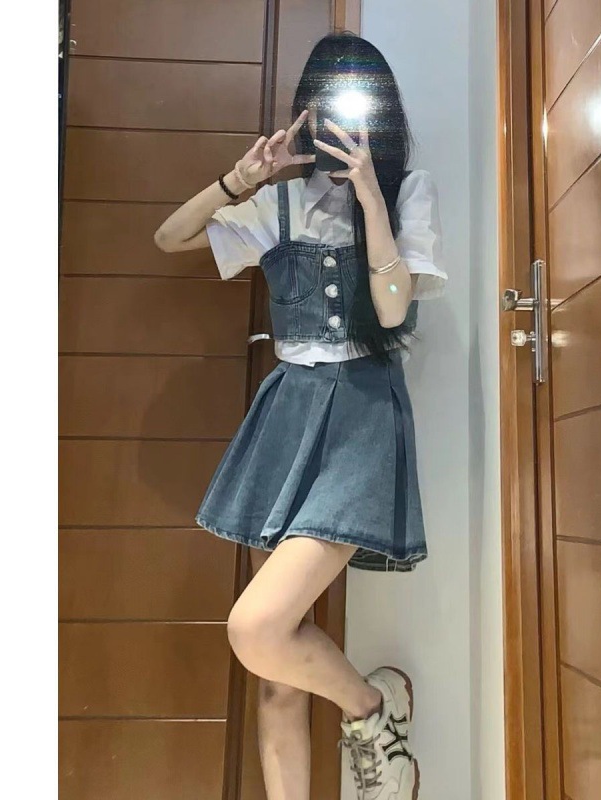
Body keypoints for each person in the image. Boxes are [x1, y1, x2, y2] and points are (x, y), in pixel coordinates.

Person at [154, 31, 446, 800]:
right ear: (307, 114)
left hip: (361, 416)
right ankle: (368, 718)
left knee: (255, 627)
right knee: (274, 669)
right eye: (328, 103)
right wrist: (239, 180)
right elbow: (170, 237)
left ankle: (371, 710)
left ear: (382, 115)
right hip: (286, 415)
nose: (344, 119)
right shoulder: (278, 202)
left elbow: (392, 308)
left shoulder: (407, 192)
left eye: (360, 104)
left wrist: (372, 199)